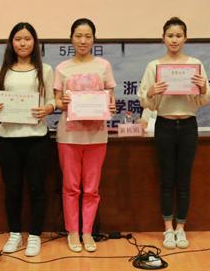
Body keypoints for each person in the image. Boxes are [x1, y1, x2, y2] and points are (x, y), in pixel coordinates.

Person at [138, 17, 210, 250]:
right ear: (163, 38)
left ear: (185, 38)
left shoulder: (195, 64)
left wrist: (202, 88)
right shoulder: (154, 66)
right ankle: (168, 229)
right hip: (165, 125)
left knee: (184, 179)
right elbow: (146, 101)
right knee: (167, 179)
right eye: (170, 36)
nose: (174, 40)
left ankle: (181, 228)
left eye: (178, 36)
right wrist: (151, 92)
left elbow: (204, 99)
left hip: (188, 126)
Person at [0, 22, 55, 257]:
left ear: (34, 42)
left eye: (27, 39)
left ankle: (34, 235)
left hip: (37, 138)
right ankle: (14, 233)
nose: (22, 43)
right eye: (18, 39)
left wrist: (48, 108)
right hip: (8, 138)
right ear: (11, 43)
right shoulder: (2, 70)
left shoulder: (45, 70)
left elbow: (52, 100)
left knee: (37, 188)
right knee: (12, 189)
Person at [54, 18, 116, 253]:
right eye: (78, 36)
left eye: (87, 36)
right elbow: (56, 101)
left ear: (94, 39)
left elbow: (111, 99)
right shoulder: (62, 68)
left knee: (91, 189)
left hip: (97, 136)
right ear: (71, 38)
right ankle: (73, 232)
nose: (83, 40)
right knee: (71, 187)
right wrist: (62, 102)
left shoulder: (103, 66)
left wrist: (111, 106)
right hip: (69, 137)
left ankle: (87, 232)